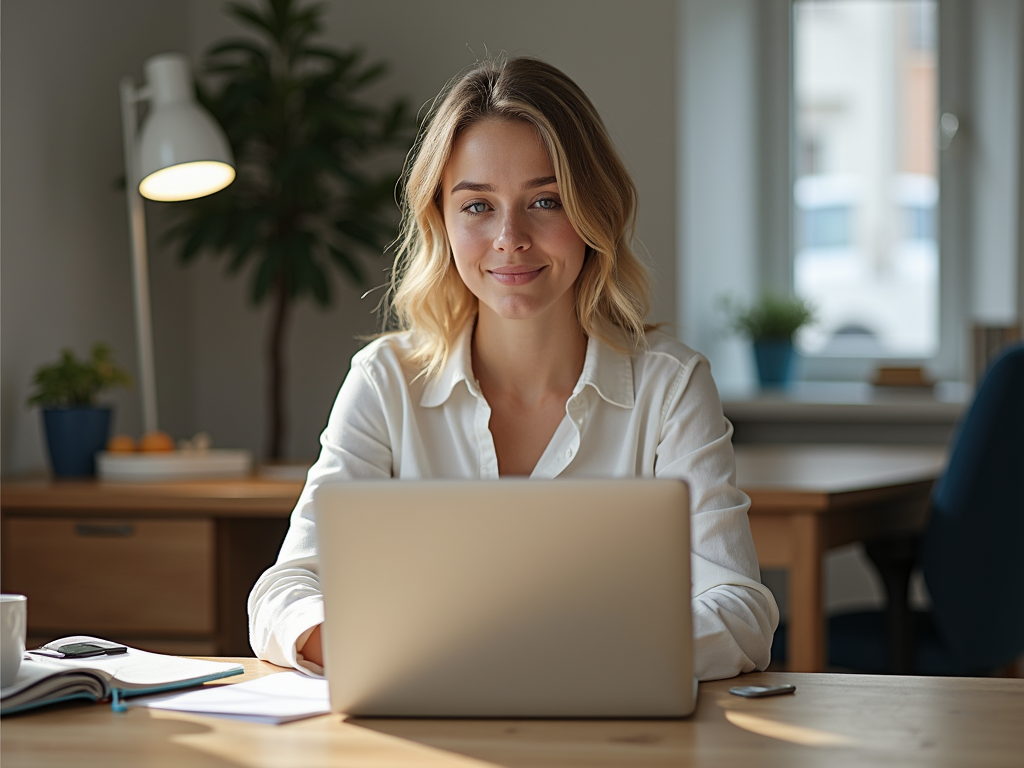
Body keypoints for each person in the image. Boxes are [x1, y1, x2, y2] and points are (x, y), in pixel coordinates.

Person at [248, 56, 778, 682]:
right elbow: (285, 588)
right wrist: (371, 646)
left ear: (593, 213)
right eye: (477, 206)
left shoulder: (670, 386)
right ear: (440, 219)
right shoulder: (385, 380)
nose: (510, 237)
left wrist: (556, 654)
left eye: (546, 201)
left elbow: (740, 609)